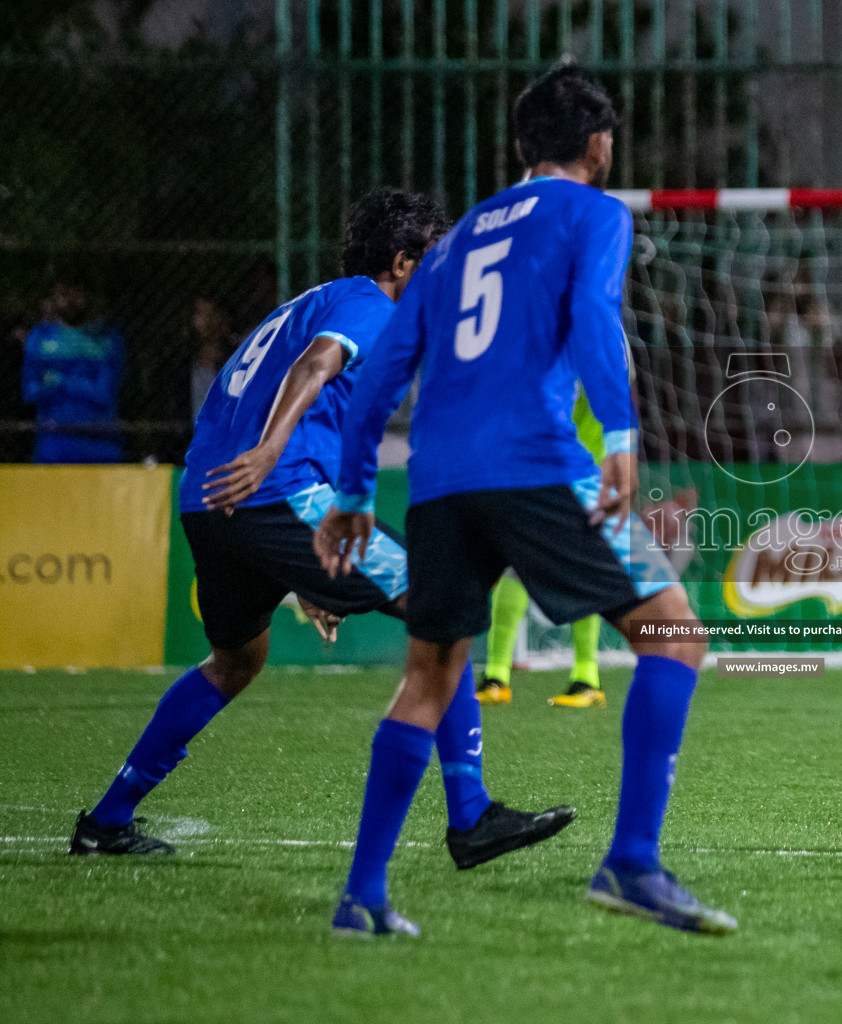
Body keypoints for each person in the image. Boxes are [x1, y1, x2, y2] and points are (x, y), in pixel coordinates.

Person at [315, 64, 735, 938]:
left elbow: (383, 373)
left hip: (435, 479)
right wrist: (620, 436)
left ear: (521, 146)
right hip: (535, 462)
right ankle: (632, 862)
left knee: (427, 680)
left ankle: (363, 897)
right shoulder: (595, 212)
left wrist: (354, 490)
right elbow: (592, 314)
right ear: (597, 143)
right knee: (675, 632)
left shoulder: (457, 238)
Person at [69, 188, 573, 872]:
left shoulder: (304, 304)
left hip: (209, 503)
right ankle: (472, 815)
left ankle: (107, 819)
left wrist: (297, 565)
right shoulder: (370, 304)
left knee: (235, 662)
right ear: (403, 262)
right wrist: (273, 458)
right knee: (442, 605)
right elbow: (317, 368)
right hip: (270, 488)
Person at [478, 387, 608, 709]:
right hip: (536, 470)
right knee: (516, 564)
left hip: (585, 471)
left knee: (582, 571)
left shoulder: (598, 346)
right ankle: (496, 675)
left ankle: (586, 676)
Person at [22, 280, 125, 463]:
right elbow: (30, 391)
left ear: (88, 296)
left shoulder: (107, 339)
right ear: (54, 297)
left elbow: (104, 394)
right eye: (63, 294)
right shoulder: (40, 338)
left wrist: (58, 381)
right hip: (53, 444)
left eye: (76, 294)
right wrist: (84, 382)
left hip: (101, 444)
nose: (70, 300)